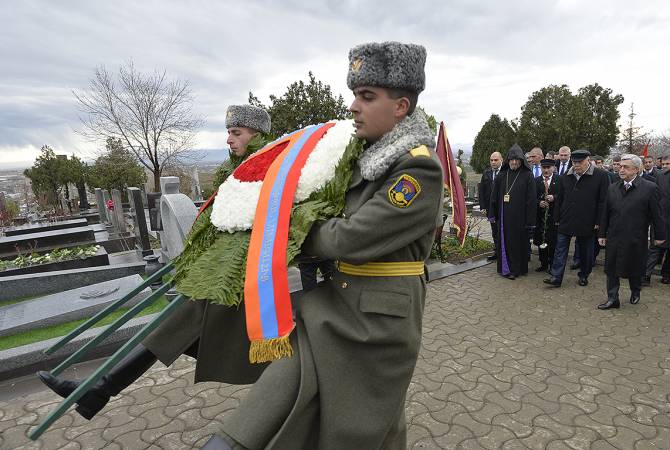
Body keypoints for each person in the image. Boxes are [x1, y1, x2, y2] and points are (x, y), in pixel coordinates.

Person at [203, 41, 443, 450]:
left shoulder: (417, 167)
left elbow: (350, 237)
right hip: (331, 309)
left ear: (401, 107)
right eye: (355, 95)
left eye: (367, 97)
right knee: (275, 412)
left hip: (375, 324)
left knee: (361, 430)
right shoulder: (366, 156)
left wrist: (289, 228)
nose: (353, 106)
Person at [37, 105, 273, 420]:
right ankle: (100, 390)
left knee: (179, 324)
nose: (229, 139)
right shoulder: (244, 167)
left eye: (236, 132)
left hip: (245, 281)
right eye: (228, 132)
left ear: (256, 134)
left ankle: (100, 389)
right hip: (224, 276)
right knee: (176, 325)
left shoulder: (269, 168)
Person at [597, 154, 665, 309]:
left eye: (625, 167)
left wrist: (659, 236)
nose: (621, 169)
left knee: (635, 267)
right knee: (611, 268)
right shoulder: (613, 187)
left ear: (636, 169)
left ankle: (636, 291)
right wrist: (602, 234)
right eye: (620, 166)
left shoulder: (649, 188)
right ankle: (613, 298)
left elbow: (657, 215)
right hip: (614, 236)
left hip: (636, 236)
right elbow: (605, 213)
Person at [544, 150, 609, 287]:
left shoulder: (600, 176)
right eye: (574, 162)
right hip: (566, 218)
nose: (577, 165)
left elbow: (603, 201)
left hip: (588, 220)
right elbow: (560, 198)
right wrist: (557, 217)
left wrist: (599, 222)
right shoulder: (566, 176)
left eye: (580, 162)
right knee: (560, 249)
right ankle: (556, 277)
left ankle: (584, 275)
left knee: (586, 252)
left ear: (588, 161)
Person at [488, 144, 537, 280]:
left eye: (517, 160)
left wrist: (530, 221)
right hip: (504, 218)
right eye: (511, 160)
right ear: (508, 160)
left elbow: (531, 200)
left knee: (518, 244)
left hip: (520, 218)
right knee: (505, 243)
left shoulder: (527, 175)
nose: (514, 162)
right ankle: (506, 269)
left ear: (521, 160)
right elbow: (494, 196)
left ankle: (518, 269)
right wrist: (492, 214)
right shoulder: (502, 175)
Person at [643, 154, 670, 285]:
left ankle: (666, 275)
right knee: (655, 248)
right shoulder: (659, 176)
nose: (664, 166)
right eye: (663, 164)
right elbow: (655, 197)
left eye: (668, 164)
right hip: (661, 218)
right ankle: (646, 275)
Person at [533, 159, 559, 272]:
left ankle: (553, 264)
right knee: (541, 240)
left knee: (553, 241)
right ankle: (543, 264)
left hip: (553, 217)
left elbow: (564, 195)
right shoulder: (535, 181)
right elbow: (530, 197)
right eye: (544, 168)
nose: (546, 170)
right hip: (540, 218)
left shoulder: (559, 180)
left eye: (549, 168)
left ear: (553, 168)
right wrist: (538, 203)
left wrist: (554, 198)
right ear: (541, 168)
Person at [478, 151, 503, 261]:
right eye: (491, 160)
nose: (493, 162)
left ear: (501, 160)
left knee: (502, 230)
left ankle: (503, 253)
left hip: (503, 208)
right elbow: (482, 190)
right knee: (494, 230)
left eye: (496, 160)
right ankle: (497, 252)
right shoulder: (486, 172)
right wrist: (483, 206)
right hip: (490, 208)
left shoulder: (505, 172)